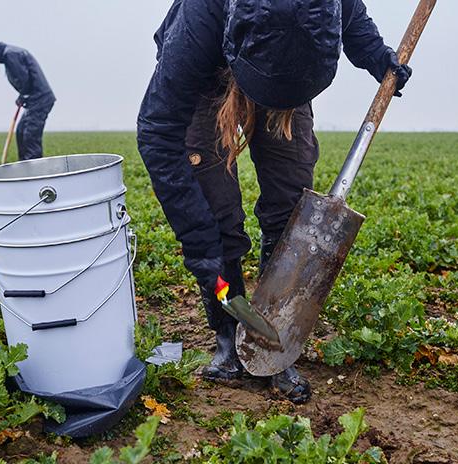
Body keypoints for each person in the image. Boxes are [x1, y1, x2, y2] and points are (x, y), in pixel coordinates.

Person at [137, 0, 412, 404]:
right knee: (216, 220)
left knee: (290, 208)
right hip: (208, 78)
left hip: (291, 74)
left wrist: (379, 58)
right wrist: (200, 244)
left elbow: (354, 23)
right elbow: (158, 130)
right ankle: (228, 336)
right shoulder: (200, 20)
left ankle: (273, 339)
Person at [0, 39, 56, 161]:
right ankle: (24, 166)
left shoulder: (11, 55)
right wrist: (23, 97)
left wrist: (22, 96)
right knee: (20, 131)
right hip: (33, 100)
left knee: (30, 135)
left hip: (40, 99)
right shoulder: (10, 54)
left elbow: (24, 79)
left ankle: (33, 170)